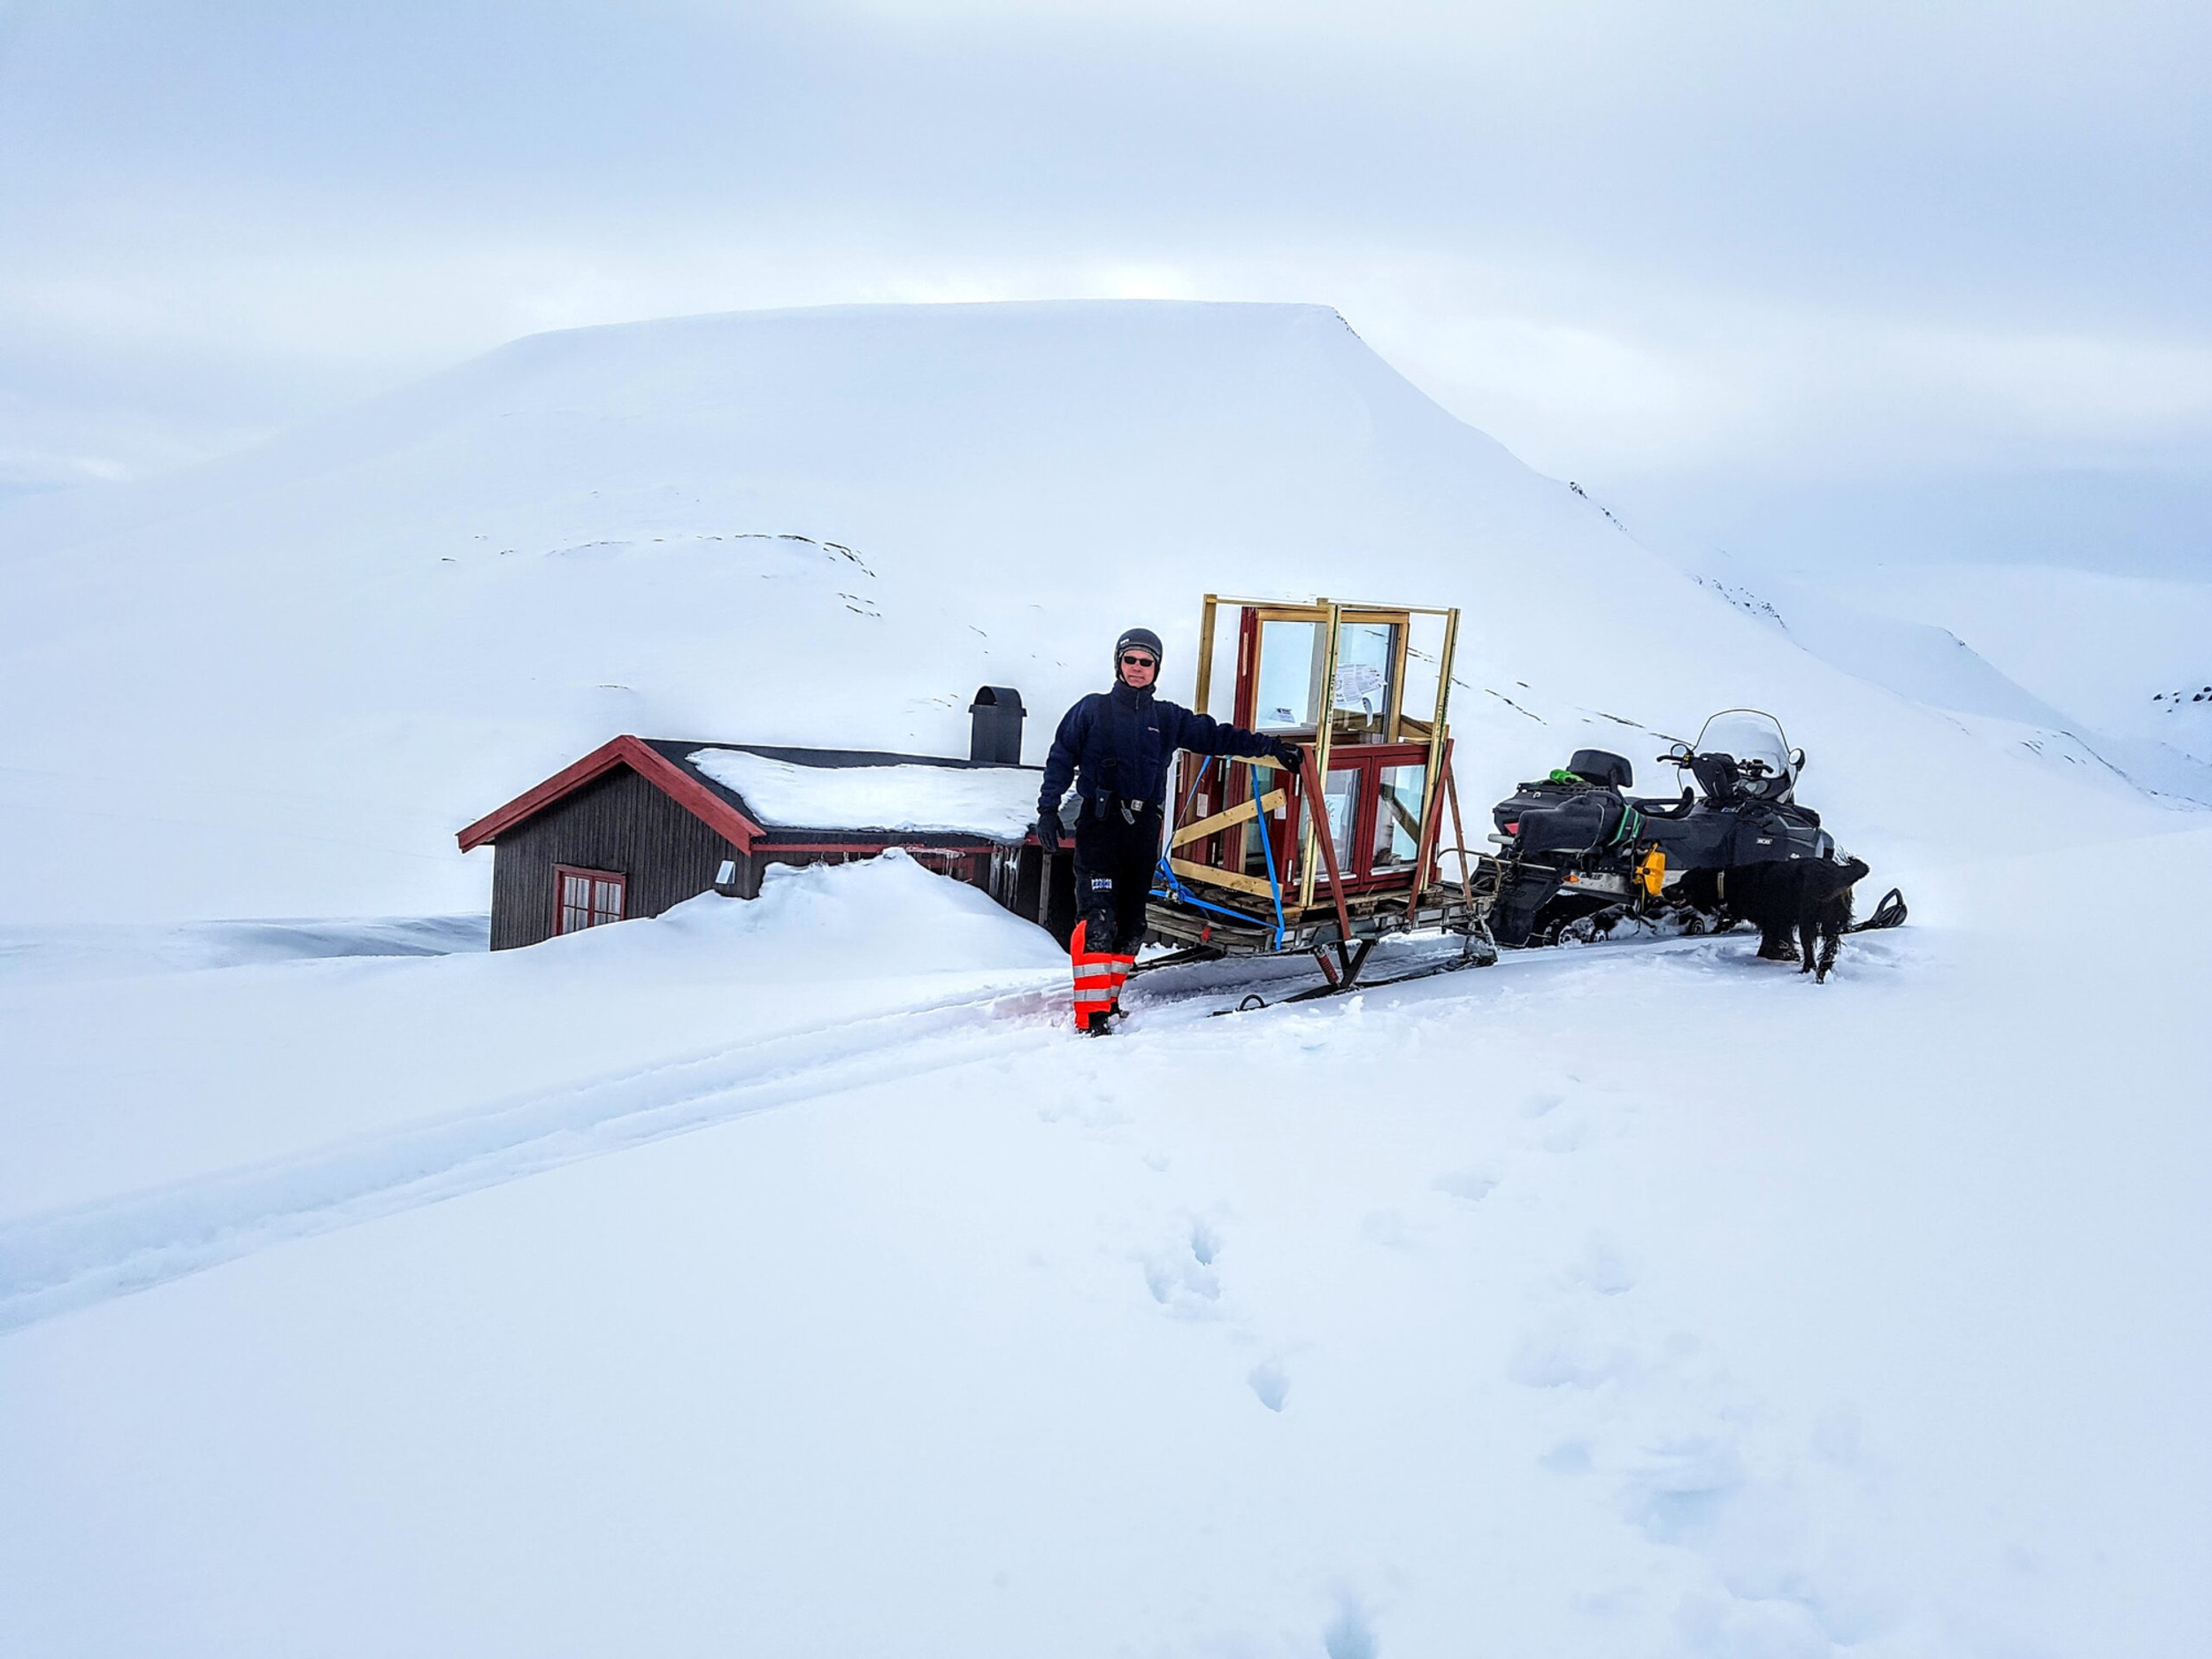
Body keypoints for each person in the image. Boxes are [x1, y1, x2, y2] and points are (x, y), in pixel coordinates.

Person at [1035, 626, 1302, 1033]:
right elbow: (1060, 758)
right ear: (1118, 664)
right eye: (1131, 660)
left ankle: (1108, 1002)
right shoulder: (1091, 710)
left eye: (1146, 661)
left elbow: (1217, 736)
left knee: (1131, 924)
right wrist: (1048, 809)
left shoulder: (1167, 718)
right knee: (1099, 919)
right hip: (1101, 826)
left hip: (1143, 830)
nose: (1138, 668)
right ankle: (1091, 1017)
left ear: (1156, 668)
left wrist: (1271, 747)